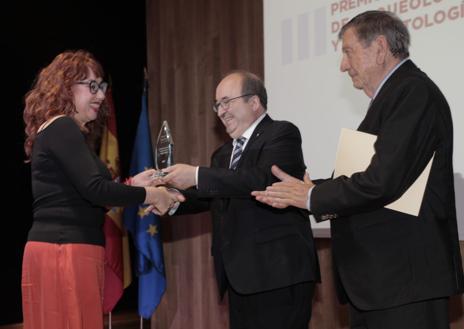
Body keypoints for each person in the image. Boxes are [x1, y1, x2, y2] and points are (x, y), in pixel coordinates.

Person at [252, 10, 464, 329]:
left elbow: (383, 180)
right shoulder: (394, 97)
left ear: (379, 48)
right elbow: (371, 176)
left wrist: (313, 196)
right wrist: (307, 188)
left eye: (348, 51)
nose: (343, 65)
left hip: (403, 282)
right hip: (382, 283)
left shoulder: (412, 92)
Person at [22, 50, 184, 329]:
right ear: (65, 86)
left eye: (102, 86)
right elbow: (95, 191)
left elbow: (83, 194)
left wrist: (134, 184)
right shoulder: (62, 126)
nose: (100, 95)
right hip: (65, 252)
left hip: (62, 248)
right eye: (92, 86)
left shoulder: (60, 131)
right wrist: (152, 194)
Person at [161, 71, 320, 329]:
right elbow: (212, 196)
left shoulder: (282, 133)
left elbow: (261, 180)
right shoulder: (222, 154)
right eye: (217, 105)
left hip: (278, 273)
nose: (220, 111)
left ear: (254, 102)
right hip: (239, 276)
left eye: (226, 102)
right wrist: (171, 200)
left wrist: (197, 174)